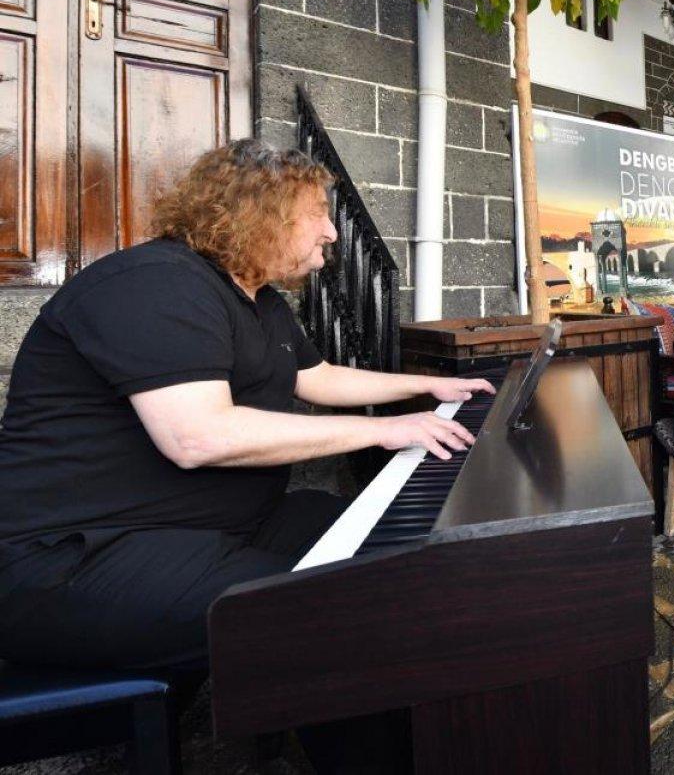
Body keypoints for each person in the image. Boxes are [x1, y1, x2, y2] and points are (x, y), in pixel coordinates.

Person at [0, 141, 495, 680]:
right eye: (317, 215)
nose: (331, 232)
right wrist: (383, 431)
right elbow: (198, 437)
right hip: (71, 558)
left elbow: (319, 378)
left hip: (222, 526)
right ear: (259, 214)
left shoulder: (260, 298)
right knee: (342, 611)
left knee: (391, 549)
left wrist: (436, 388)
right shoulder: (154, 283)